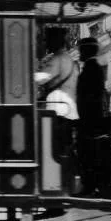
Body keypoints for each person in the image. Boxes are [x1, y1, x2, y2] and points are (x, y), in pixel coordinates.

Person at [35, 28, 79, 190]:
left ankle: (55, 186)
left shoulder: (57, 59)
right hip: (69, 111)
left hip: (58, 111)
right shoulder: (70, 60)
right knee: (64, 151)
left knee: (55, 151)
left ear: (55, 41)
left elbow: (41, 78)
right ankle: (65, 185)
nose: (46, 44)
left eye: (48, 40)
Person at [75, 37, 111, 197]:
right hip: (93, 121)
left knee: (88, 154)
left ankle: (90, 187)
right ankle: (91, 186)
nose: (79, 54)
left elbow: (88, 99)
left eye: (81, 50)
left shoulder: (90, 69)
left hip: (89, 121)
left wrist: (82, 120)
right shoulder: (94, 68)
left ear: (87, 51)